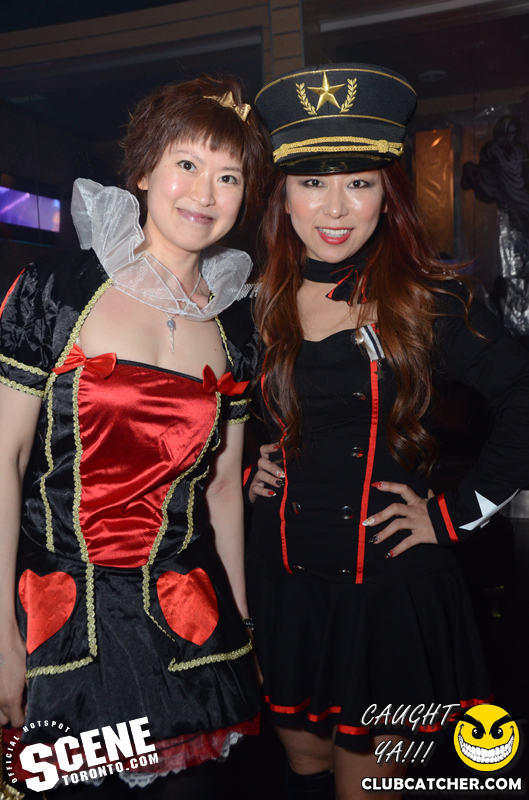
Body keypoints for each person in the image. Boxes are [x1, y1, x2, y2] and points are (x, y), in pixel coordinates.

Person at [245, 63, 529, 799]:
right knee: (303, 773)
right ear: (281, 193)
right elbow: (206, 417)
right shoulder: (251, 302)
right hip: (285, 595)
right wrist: (246, 466)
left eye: (360, 182)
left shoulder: (427, 300)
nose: (336, 207)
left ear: (388, 191)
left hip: (389, 602)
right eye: (312, 182)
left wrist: (454, 515)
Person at [0, 75, 270, 798]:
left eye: (228, 176)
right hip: (57, 619)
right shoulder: (56, 290)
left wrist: (243, 626)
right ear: (144, 172)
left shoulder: (237, 326)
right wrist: (0, 636)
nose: (205, 193)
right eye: (187, 164)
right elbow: (4, 460)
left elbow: (223, 490)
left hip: (187, 623)